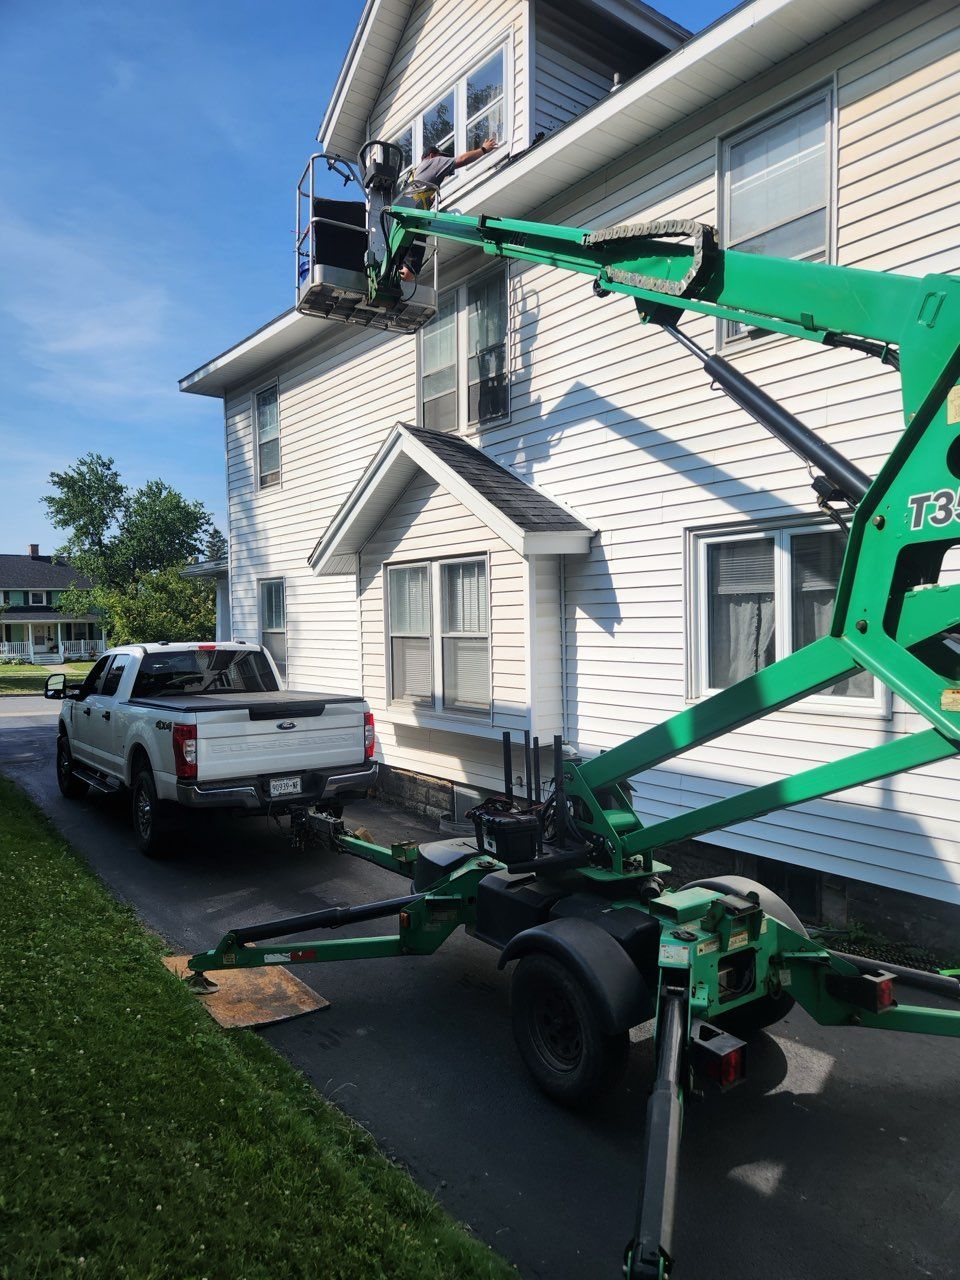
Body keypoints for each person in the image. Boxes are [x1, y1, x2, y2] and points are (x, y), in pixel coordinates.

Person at [399, 137, 498, 281]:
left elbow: (418, 195)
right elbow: (462, 159)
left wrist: (430, 200)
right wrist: (483, 150)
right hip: (413, 219)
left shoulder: (414, 174)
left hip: (403, 221)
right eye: (442, 158)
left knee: (400, 264)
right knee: (409, 272)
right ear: (432, 155)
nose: (444, 164)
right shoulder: (433, 162)